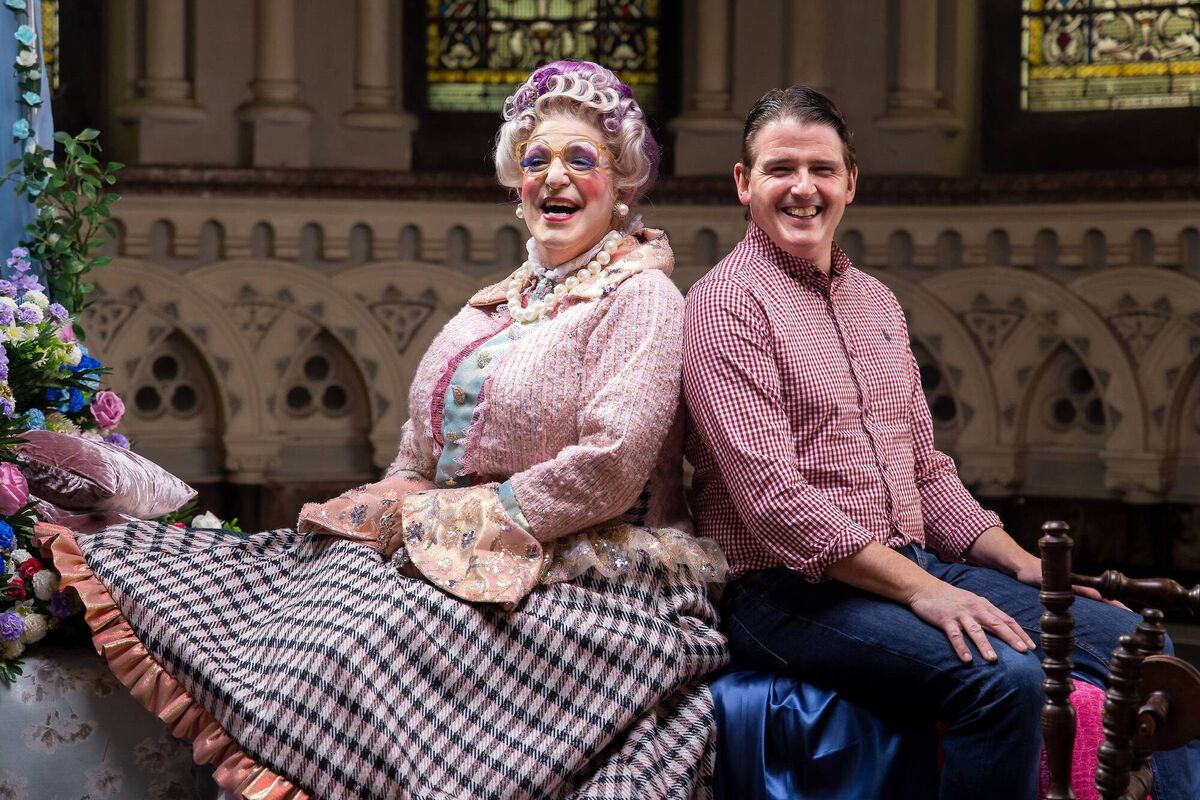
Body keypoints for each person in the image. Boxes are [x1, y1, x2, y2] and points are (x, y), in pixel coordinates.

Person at [40, 60, 728, 800]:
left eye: (580, 160)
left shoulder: (643, 297)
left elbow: (612, 465)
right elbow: (420, 450)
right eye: (536, 161)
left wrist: (455, 519)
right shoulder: (491, 306)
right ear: (515, 181)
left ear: (622, 182)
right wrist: (382, 508)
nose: (554, 179)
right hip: (459, 552)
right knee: (287, 593)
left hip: (590, 575)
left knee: (353, 642)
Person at [681, 86, 1195, 800]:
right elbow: (776, 504)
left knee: (1143, 652)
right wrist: (927, 593)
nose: (803, 188)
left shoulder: (878, 302)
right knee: (1004, 682)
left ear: (851, 183)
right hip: (783, 596)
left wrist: (1025, 571)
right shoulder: (722, 306)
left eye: (822, 169)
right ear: (744, 183)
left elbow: (925, 470)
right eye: (780, 168)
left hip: (904, 562)